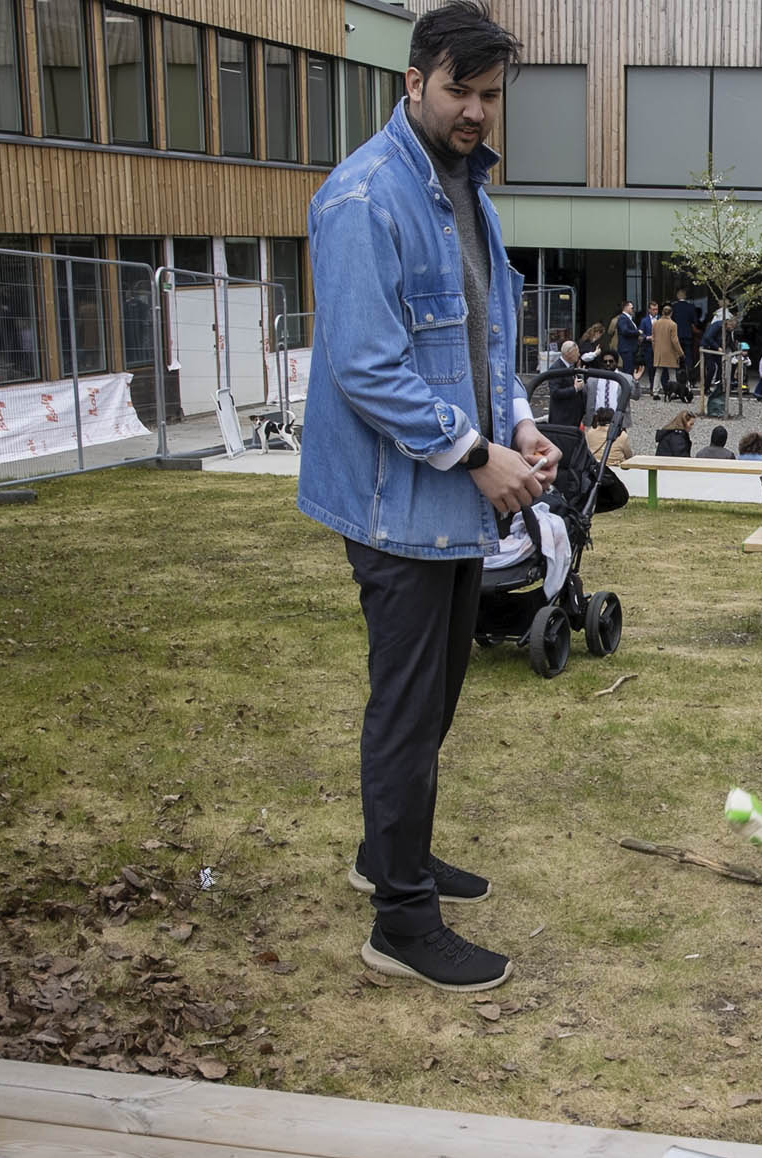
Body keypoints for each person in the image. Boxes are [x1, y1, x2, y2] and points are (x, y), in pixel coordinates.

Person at [298, 0, 553, 992]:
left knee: (436, 697)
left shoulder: (462, 188)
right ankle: (400, 921)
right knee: (407, 712)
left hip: (446, 499)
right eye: (461, 90)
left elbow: (483, 339)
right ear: (412, 81)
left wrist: (520, 421)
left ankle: (388, 856)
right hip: (395, 506)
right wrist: (476, 452)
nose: (478, 111)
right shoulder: (364, 198)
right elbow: (365, 364)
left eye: (491, 96)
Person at [669, 286, 703, 390]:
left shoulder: (673, 307)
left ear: (677, 296)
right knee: (689, 358)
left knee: (676, 358)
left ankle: (679, 379)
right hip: (688, 335)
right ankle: (690, 380)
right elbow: (695, 321)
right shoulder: (691, 307)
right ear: (686, 296)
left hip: (676, 335)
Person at [649, 303, 683, 399]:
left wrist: (654, 349)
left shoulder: (656, 323)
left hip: (658, 352)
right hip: (670, 352)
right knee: (672, 373)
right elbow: (675, 340)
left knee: (658, 372)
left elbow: (653, 338)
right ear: (671, 313)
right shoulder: (673, 324)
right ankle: (674, 392)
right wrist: (681, 353)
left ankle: (655, 392)